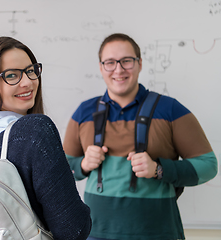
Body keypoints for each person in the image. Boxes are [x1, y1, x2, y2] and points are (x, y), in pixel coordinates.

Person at [63, 33, 218, 240]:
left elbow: (208, 166)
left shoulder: (171, 109)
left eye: (126, 61)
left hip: (159, 234)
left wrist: (159, 169)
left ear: (140, 64)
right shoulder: (84, 112)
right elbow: (61, 170)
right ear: (101, 67)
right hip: (95, 234)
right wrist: (83, 165)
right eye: (110, 62)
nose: (118, 69)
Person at [0, 36, 92, 240]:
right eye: (11, 75)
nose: (27, 82)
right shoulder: (37, 130)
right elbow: (73, 229)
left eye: (30, 71)